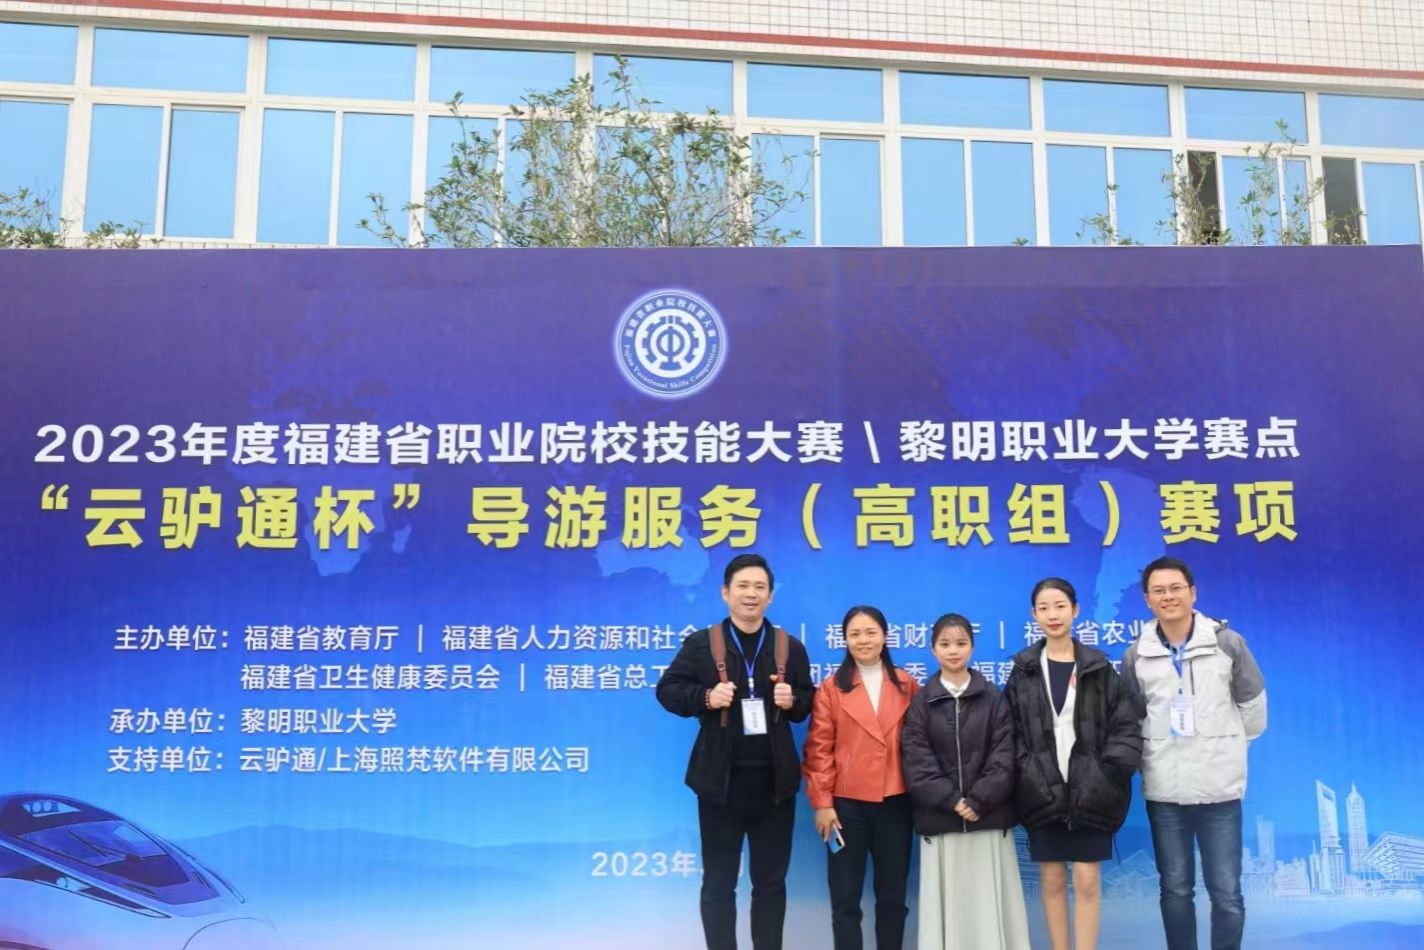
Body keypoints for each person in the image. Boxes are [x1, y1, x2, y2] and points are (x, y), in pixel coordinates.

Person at [655, 553, 815, 950]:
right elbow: (667, 691)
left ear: (770, 596)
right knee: (719, 883)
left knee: (771, 884)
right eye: (743, 586)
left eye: (760, 587)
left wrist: (793, 700)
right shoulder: (701, 644)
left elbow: (807, 702)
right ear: (726, 592)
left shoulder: (789, 647)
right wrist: (706, 697)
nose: (751, 594)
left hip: (775, 788)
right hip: (720, 786)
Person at [1122, 556, 1267, 950]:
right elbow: (1132, 717)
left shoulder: (1227, 643)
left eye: (1175, 588)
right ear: (1147, 600)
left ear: (1193, 592)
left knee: (1226, 892)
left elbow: (1253, 708)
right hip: (1165, 792)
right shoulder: (1137, 655)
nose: (1168, 596)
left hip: (1219, 790)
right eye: (1158, 591)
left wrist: (1227, 746)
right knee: (1174, 890)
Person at [1003, 578, 1142, 950]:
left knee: (1087, 881)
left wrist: (1106, 774)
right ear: (1034, 615)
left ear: (1075, 610)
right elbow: (1009, 731)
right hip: (1041, 791)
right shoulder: (1024, 670)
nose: (1053, 615)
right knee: (1051, 881)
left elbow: (1125, 726)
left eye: (1060, 606)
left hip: (1092, 791)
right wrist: (1028, 774)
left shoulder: (1098, 668)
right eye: (1044, 608)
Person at [901, 613, 1029, 950]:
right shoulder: (921, 702)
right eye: (945, 644)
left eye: (960, 643)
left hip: (988, 820)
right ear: (933, 649)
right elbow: (917, 761)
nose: (953, 650)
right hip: (942, 821)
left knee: (989, 910)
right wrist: (953, 801)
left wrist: (978, 801)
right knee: (949, 914)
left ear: (972, 647)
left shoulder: (994, 698)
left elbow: (1004, 757)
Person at [802, 605, 919, 950]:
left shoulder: (907, 685)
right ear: (845, 640)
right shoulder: (831, 688)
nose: (863, 640)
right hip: (845, 807)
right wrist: (823, 803)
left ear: (885, 636)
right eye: (855, 634)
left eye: (871, 632)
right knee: (845, 900)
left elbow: (922, 744)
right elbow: (819, 749)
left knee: (893, 898)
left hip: (896, 803)